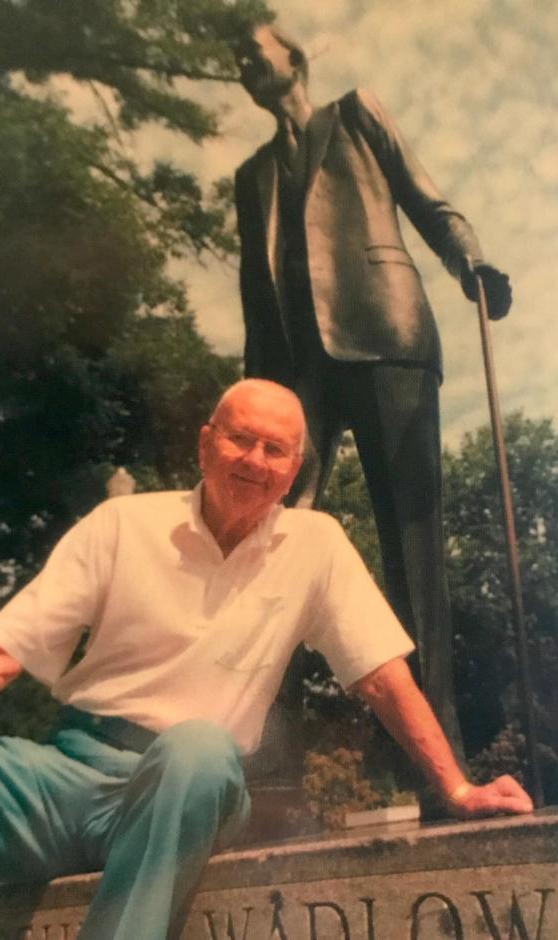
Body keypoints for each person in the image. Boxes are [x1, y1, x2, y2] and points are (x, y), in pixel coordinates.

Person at [0, 380, 531, 940]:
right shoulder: (121, 525)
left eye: (275, 450)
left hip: (194, 788)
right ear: (206, 444)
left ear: (292, 472)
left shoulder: (317, 547)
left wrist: (455, 786)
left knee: (199, 748)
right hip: (68, 777)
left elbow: (381, 677)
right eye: (241, 439)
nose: (255, 461)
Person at [232, 22, 513, 752]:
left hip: (388, 339)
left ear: (291, 58)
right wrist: (249, 400)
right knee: (268, 544)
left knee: (411, 545)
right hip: (295, 380)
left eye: (252, 50)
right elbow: (253, 303)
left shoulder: (356, 113)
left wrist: (469, 260)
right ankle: (263, 764)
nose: (241, 63)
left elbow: (428, 201)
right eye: (234, 60)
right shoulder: (251, 176)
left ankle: (433, 757)